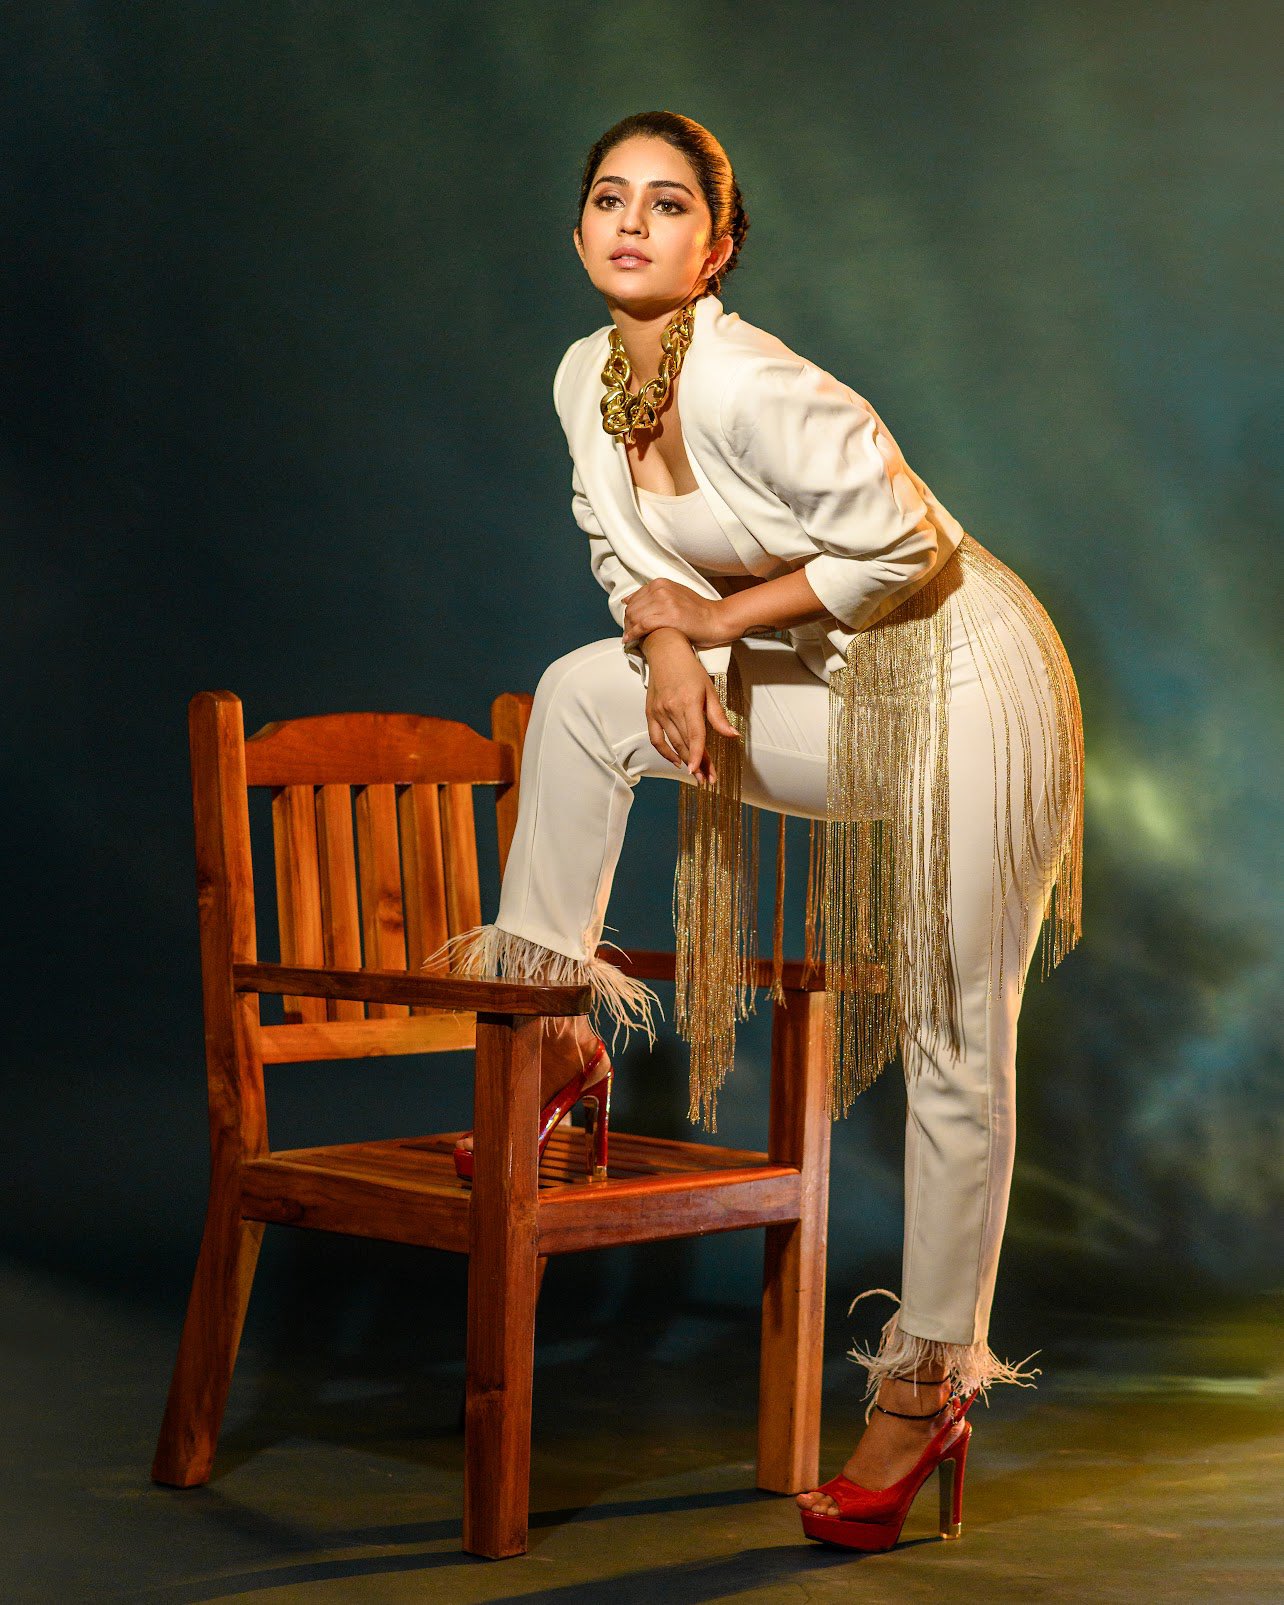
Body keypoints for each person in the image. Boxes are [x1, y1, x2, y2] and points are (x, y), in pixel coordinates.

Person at [425, 110, 1084, 1549]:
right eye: (610, 197)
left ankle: (924, 1388)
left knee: (957, 1030)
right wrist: (665, 645)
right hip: (838, 692)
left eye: (668, 205)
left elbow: (907, 545)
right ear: (578, 230)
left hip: (973, 687)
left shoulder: (752, 384)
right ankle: (556, 1036)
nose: (632, 222)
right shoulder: (582, 378)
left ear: (715, 247)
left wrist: (713, 629)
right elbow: (622, 555)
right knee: (581, 694)